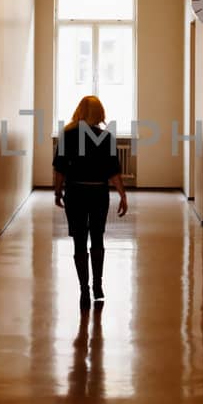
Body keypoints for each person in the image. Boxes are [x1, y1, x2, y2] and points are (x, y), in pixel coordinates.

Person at [53, 95, 128, 307]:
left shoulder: (67, 135)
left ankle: (83, 289)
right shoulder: (106, 138)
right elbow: (114, 173)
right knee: (97, 238)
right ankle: (97, 285)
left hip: (76, 192)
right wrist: (123, 195)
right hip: (98, 193)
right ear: (99, 113)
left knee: (79, 240)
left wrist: (58, 192)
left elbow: (60, 169)